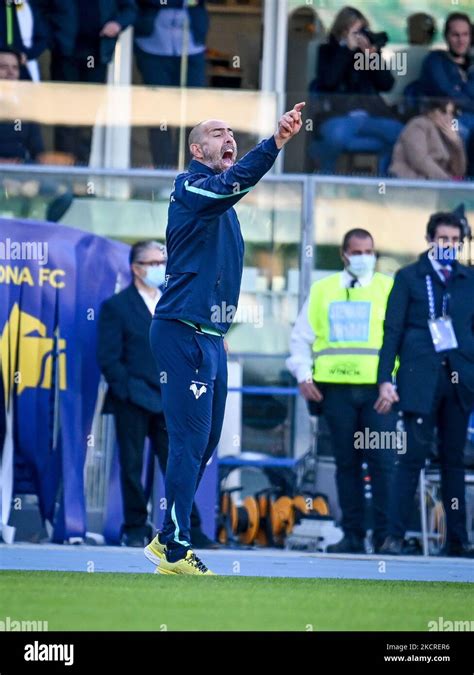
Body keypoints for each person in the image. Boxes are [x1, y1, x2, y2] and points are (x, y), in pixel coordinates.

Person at [144, 102, 304, 575]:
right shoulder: (189, 186)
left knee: (207, 441)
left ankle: (166, 537)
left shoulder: (220, 203)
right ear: (197, 149)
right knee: (188, 441)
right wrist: (273, 143)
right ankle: (174, 548)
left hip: (209, 335)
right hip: (180, 330)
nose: (227, 137)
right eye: (217, 133)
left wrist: (218, 326)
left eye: (231, 131)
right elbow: (234, 183)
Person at [98, 241, 217, 549]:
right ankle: (135, 526)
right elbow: (109, 357)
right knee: (132, 465)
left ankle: (189, 528)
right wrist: (126, 390)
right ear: (136, 268)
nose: (159, 268)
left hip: (170, 399)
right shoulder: (117, 306)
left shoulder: (175, 303)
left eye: (162, 261)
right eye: (152, 262)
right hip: (133, 399)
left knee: (178, 464)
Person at [287, 229, 396, 554]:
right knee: (346, 465)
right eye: (357, 251)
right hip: (335, 392)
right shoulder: (323, 290)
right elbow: (300, 338)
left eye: (369, 251)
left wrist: (394, 384)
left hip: (378, 393)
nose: (364, 257)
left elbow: (403, 340)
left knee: (383, 464)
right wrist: (304, 375)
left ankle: (386, 537)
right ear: (344, 254)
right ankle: (352, 535)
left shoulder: (389, 289)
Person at [377, 206, 474, 558]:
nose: (449, 245)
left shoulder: (469, 280)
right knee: (411, 460)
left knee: (453, 462)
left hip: (460, 381)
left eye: (455, 240)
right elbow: (392, 331)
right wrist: (384, 379)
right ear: (430, 240)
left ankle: (458, 540)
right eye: (442, 239)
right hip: (420, 380)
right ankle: (393, 537)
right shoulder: (409, 278)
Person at [32, 0, 137, 163]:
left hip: (96, 57)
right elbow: (38, 9)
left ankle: (81, 177)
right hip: (65, 56)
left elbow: (130, 8)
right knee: (64, 119)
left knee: (87, 121)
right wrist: (51, 37)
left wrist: (117, 23)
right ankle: (64, 178)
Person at [310, 5, 402, 174]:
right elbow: (329, 81)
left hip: (371, 116)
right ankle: (325, 182)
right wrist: (346, 50)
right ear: (344, 31)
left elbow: (387, 84)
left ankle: (383, 182)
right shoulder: (327, 51)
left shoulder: (367, 53)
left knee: (401, 134)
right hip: (339, 116)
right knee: (336, 137)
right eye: (357, 32)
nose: (362, 36)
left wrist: (371, 57)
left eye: (364, 31)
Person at [134, 0, 208, 167]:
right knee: (159, 113)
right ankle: (164, 169)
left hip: (191, 45)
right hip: (153, 46)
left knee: (193, 112)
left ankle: (189, 170)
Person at [417, 13, 474, 176]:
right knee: (459, 133)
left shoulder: (472, 65)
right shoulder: (435, 60)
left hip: (470, 117)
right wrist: (462, 95)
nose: (461, 40)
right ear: (446, 37)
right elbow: (445, 92)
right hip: (447, 118)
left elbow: (456, 94)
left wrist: (459, 93)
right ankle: (458, 186)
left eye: (465, 35)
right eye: (455, 35)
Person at [389, 99, 466, 180]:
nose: (448, 117)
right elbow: (419, 160)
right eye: (443, 112)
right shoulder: (418, 124)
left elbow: (459, 172)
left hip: (437, 185)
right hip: (410, 181)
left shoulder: (448, 133)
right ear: (431, 112)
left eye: (452, 113)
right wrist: (446, 181)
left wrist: (456, 143)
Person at [0, 49, 44, 162]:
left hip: (21, 173)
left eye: (15, 68)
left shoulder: (26, 105)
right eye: (4, 67)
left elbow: (37, 149)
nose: (11, 72)